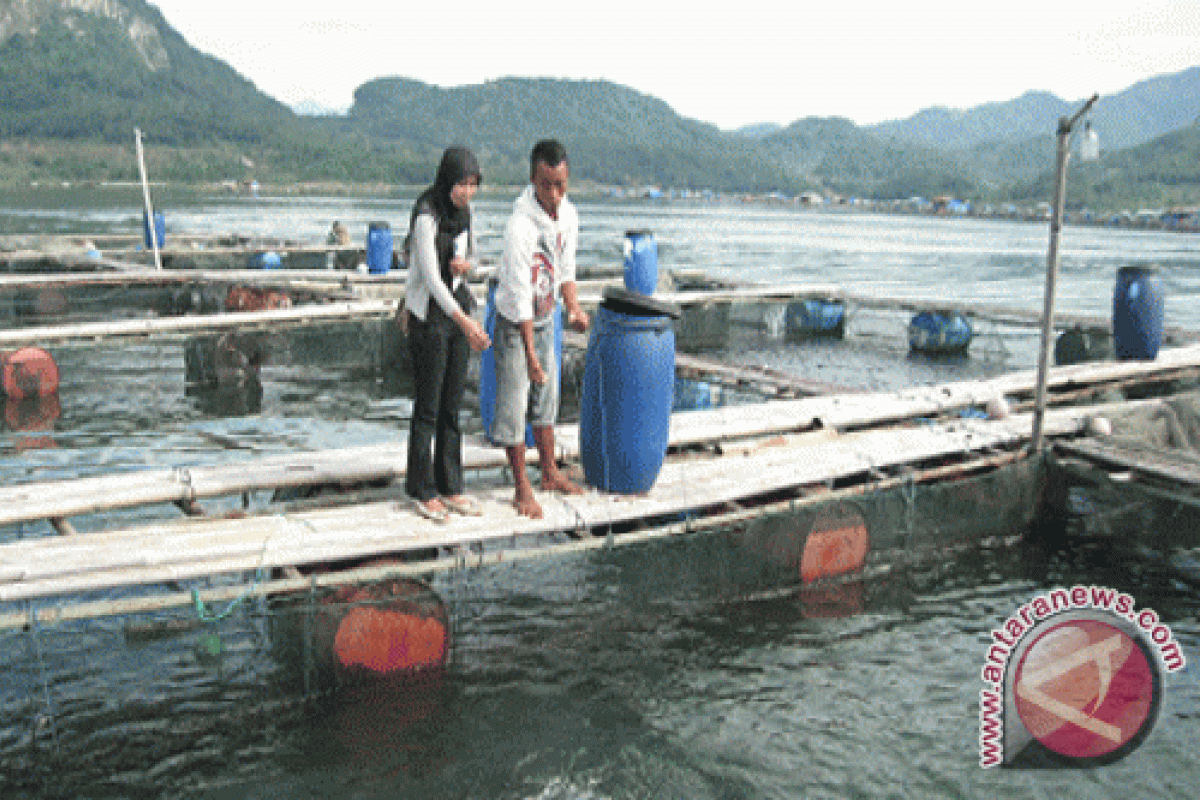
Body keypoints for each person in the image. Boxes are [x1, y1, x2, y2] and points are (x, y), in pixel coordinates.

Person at [492, 139, 589, 519]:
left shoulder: (569, 215)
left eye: (560, 184)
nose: (553, 193)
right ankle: (521, 487)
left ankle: (549, 472)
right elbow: (517, 296)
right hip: (517, 323)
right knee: (515, 404)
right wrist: (531, 353)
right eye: (546, 184)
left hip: (548, 316)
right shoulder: (519, 227)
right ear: (533, 179)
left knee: (547, 398)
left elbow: (566, 269)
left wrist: (574, 306)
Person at [403, 146, 491, 521]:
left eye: (472, 185)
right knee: (428, 407)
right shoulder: (427, 215)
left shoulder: (465, 214)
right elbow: (431, 280)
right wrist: (467, 323)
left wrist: (468, 265)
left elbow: (473, 260)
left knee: (452, 408)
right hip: (430, 317)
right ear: (446, 179)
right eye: (461, 184)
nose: (466, 192)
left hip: (456, 313)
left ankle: (451, 485)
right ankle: (422, 489)